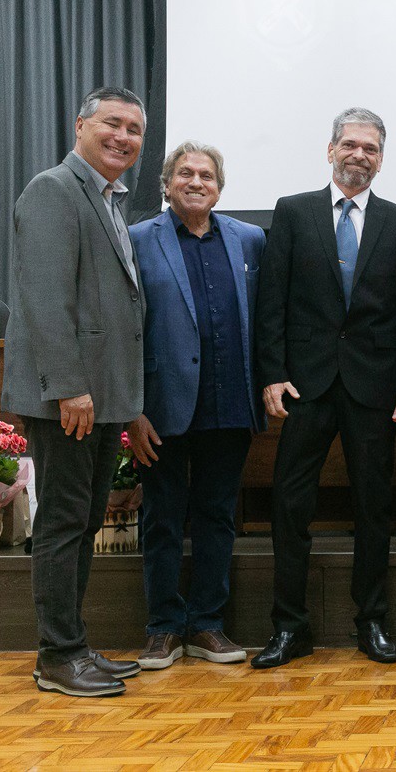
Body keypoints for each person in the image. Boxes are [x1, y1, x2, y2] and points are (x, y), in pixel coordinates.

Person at [252, 108, 396, 668]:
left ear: (381, 159)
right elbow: (272, 300)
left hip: (374, 386)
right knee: (290, 504)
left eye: (370, 148)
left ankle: (371, 621)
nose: (359, 155)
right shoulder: (293, 211)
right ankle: (289, 627)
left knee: (373, 506)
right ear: (331, 151)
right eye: (350, 144)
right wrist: (272, 372)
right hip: (304, 384)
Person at [2, 86, 148, 696]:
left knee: (84, 519)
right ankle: (58, 656)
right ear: (81, 126)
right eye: (112, 123)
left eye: (134, 130)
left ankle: (74, 645)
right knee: (64, 522)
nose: (123, 137)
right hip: (70, 398)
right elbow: (45, 299)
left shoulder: (107, 198)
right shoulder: (53, 190)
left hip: (101, 396)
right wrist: (68, 387)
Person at [126, 141, 266, 669]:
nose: (195, 182)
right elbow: (125, 329)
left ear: (219, 188)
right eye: (184, 173)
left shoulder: (249, 239)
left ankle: (207, 624)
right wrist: (133, 409)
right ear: (166, 184)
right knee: (162, 517)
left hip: (229, 402)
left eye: (206, 175)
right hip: (162, 405)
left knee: (217, 516)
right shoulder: (139, 239)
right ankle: (162, 628)